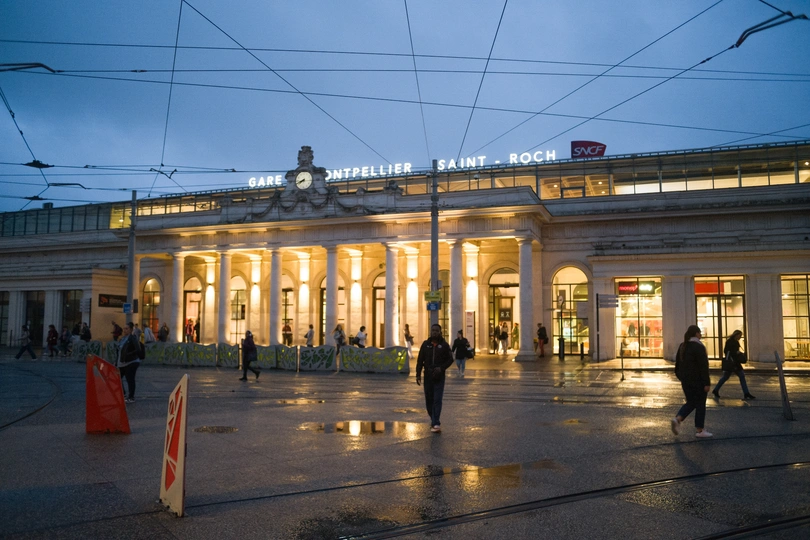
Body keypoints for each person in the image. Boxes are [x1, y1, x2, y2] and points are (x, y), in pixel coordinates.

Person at [671, 325, 712, 438]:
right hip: (698, 381)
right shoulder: (699, 346)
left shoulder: (683, 345)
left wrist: (681, 377)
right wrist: (706, 382)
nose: (701, 335)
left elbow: (678, 364)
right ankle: (700, 429)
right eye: (700, 333)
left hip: (686, 380)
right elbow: (703, 366)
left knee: (691, 402)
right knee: (700, 404)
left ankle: (678, 419)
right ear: (696, 333)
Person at [415, 324, 455, 433]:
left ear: (440, 332)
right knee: (429, 400)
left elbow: (450, 359)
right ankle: (433, 418)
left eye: (437, 330)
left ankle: (436, 422)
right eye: (433, 330)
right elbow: (420, 360)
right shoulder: (425, 345)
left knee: (437, 399)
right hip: (428, 376)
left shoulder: (444, 345)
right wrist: (418, 374)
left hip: (439, 377)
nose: (434, 332)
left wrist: (441, 368)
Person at [713, 330, 755, 400]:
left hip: (733, 363)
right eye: (740, 335)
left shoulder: (733, 341)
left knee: (726, 377)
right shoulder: (731, 342)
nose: (740, 337)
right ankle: (746, 393)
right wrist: (736, 352)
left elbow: (727, 351)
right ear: (736, 335)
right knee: (741, 376)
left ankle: (716, 389)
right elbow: (727, 351)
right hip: (733, 363)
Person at [117, 322, 142, 403]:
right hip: (122, 363)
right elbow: (119, 351)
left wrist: (128, 355)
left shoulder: (132, 338)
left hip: (131, 362)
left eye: (127, 329)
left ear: (131, 330)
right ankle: (123, 394)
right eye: (124, 328)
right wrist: (116, 361)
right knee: (117, 378)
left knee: (130, 379)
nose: (125, 330)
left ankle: (131, 397)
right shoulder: (122, 339)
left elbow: (138, 349)